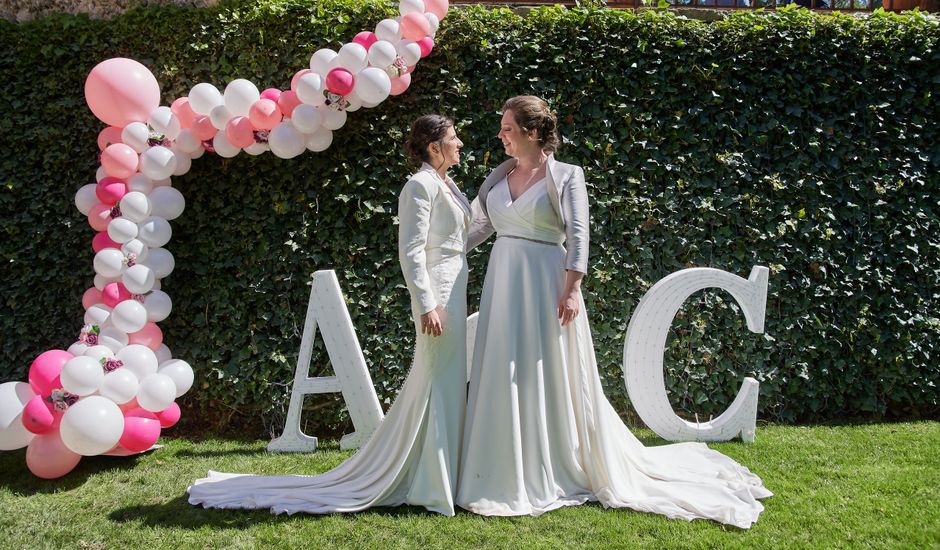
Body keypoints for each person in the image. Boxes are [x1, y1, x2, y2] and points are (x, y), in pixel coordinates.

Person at [456, 96, 771, 528]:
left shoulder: (566, 176)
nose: (500, 135)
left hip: (546, 283)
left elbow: (580, 236)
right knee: (502, 368)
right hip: (503, 281)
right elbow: (479, 227)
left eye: (508, 128)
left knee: (544, 372)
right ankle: (496, 464)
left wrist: (571, 291)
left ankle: (550, 462)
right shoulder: (499, 175)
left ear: (531, 132)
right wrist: (443, 256)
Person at [187, 114, 472, 516]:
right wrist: (426, 304)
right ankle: (428, 479)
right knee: (435, 378)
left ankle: (440, 471)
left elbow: (460, 239)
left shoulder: (448, 184)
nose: (460, 143)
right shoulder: (419, 186)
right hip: (437, 294)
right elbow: (410, 252)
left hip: (455, 288)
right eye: (453, 137)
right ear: (434, 146)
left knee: (443, 380)